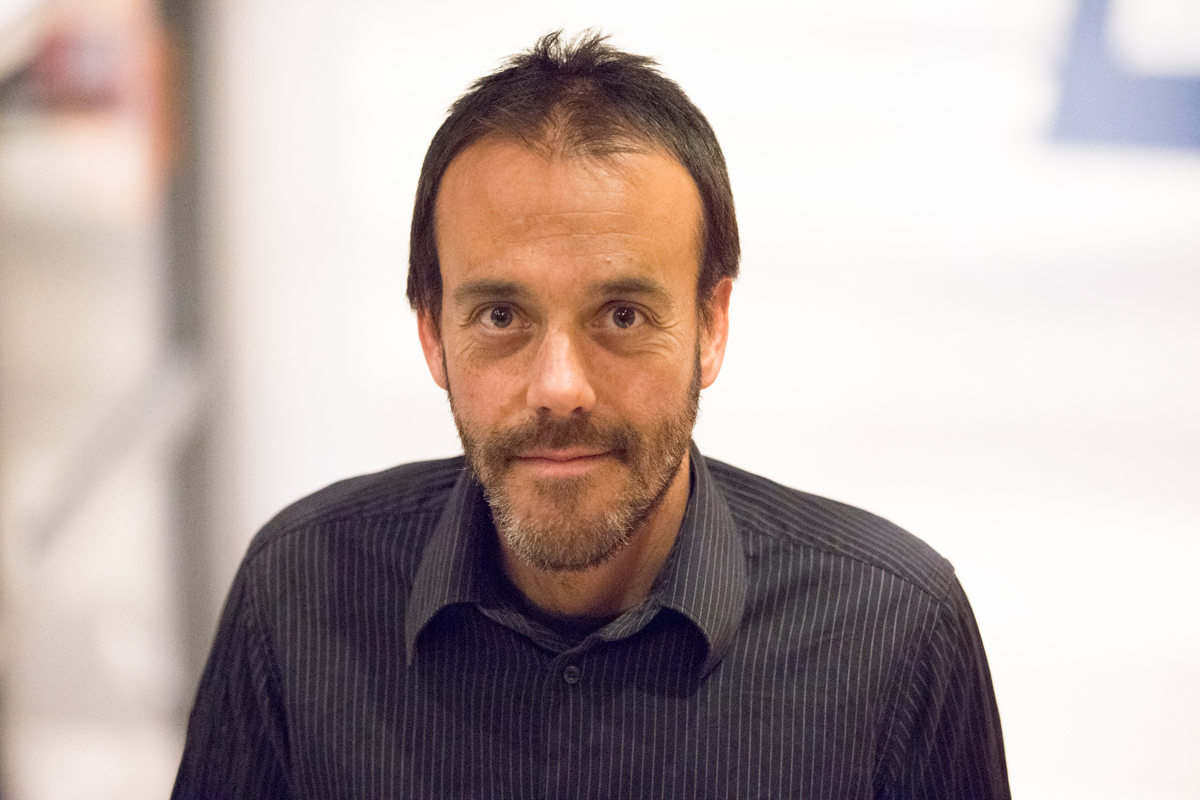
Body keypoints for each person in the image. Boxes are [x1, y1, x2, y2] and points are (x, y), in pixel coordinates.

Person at [172, 31, 1009, 799]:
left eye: (621, 315)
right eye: (502, 316)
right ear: (432, 333)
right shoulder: (300, 595)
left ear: (711, 327)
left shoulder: (892, 633)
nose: (559, 386)